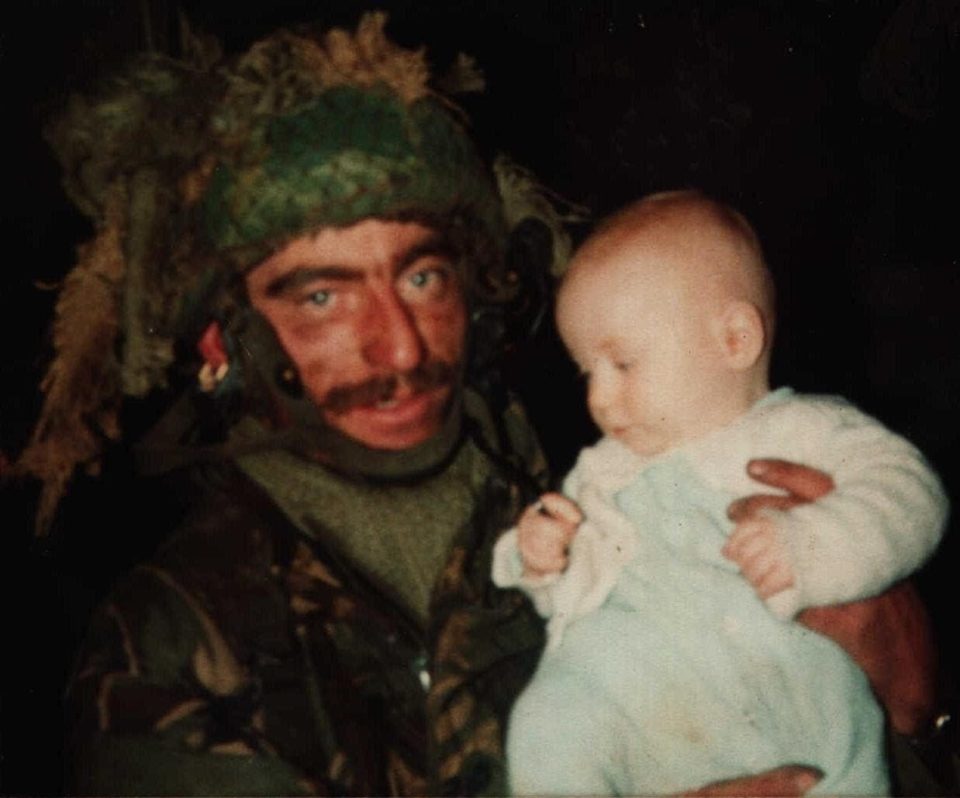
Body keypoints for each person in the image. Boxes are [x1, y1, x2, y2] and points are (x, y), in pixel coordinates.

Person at [12, 12, 942, 797]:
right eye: (323, 297)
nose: (402, 346)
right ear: (227, 343)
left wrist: (917, 712)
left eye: (420, 276)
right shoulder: (164, 647)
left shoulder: (577, 498)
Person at [492, 192, 949, 795]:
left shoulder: (804, 431)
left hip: (786, 689)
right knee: (544, 721)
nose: (598, 400)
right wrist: (544, 560)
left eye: (623, 364)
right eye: (587, 373)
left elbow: (913, 494)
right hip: (634, 701)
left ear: (734, 340)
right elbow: (576, 593)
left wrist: (816, 545)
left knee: (840, 757)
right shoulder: (602, 472)